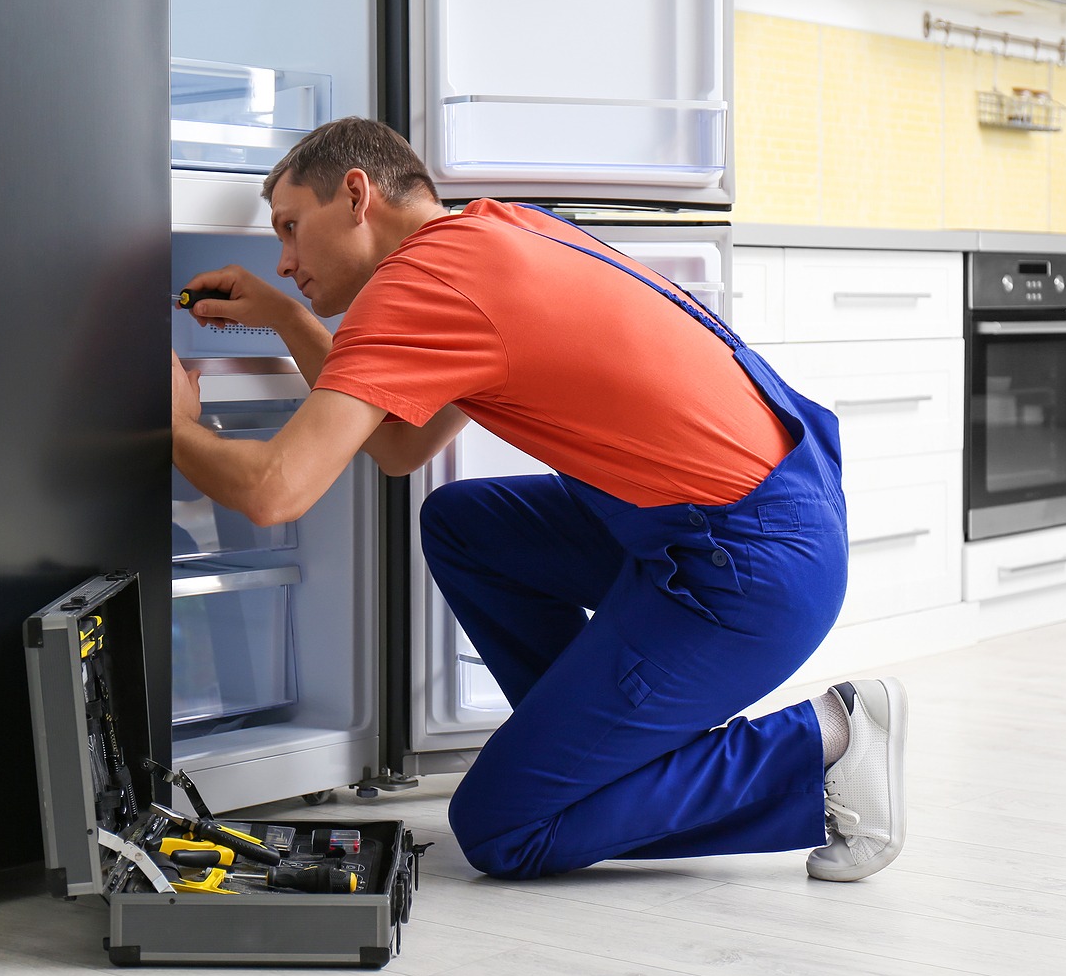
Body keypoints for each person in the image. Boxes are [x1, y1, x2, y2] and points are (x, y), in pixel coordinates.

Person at [170, 117, 907, 883]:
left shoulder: (416, 286)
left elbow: (272, 489)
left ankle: (828, 741)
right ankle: (581, 754)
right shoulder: (504, 228)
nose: (284, 261)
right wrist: (291, 320)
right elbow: (399, 446)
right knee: (463, 526)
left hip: (742, 570)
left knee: (504, 828)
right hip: (778, 517)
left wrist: (173, 422)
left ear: (356, 194)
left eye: (291, 228)